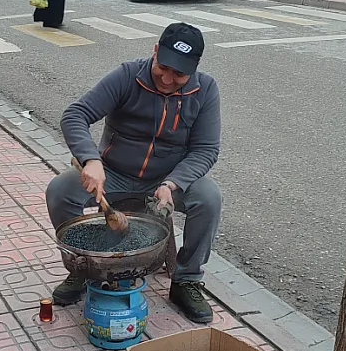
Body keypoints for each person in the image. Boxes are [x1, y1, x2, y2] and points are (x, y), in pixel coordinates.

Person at [47, 23, 221, 323]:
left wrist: (173, 183)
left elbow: (206, 149)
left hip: (166, 179)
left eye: (178, 74)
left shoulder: (205, 90)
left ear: (193, 69)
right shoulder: (128, 76)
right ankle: (81, 267)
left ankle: (186, 280)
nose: (167, 80)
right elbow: (75, 114)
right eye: (163, 67)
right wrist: (91, 160)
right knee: (60, 190)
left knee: (208, 198)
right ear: (155, 51)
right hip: (113, 172)